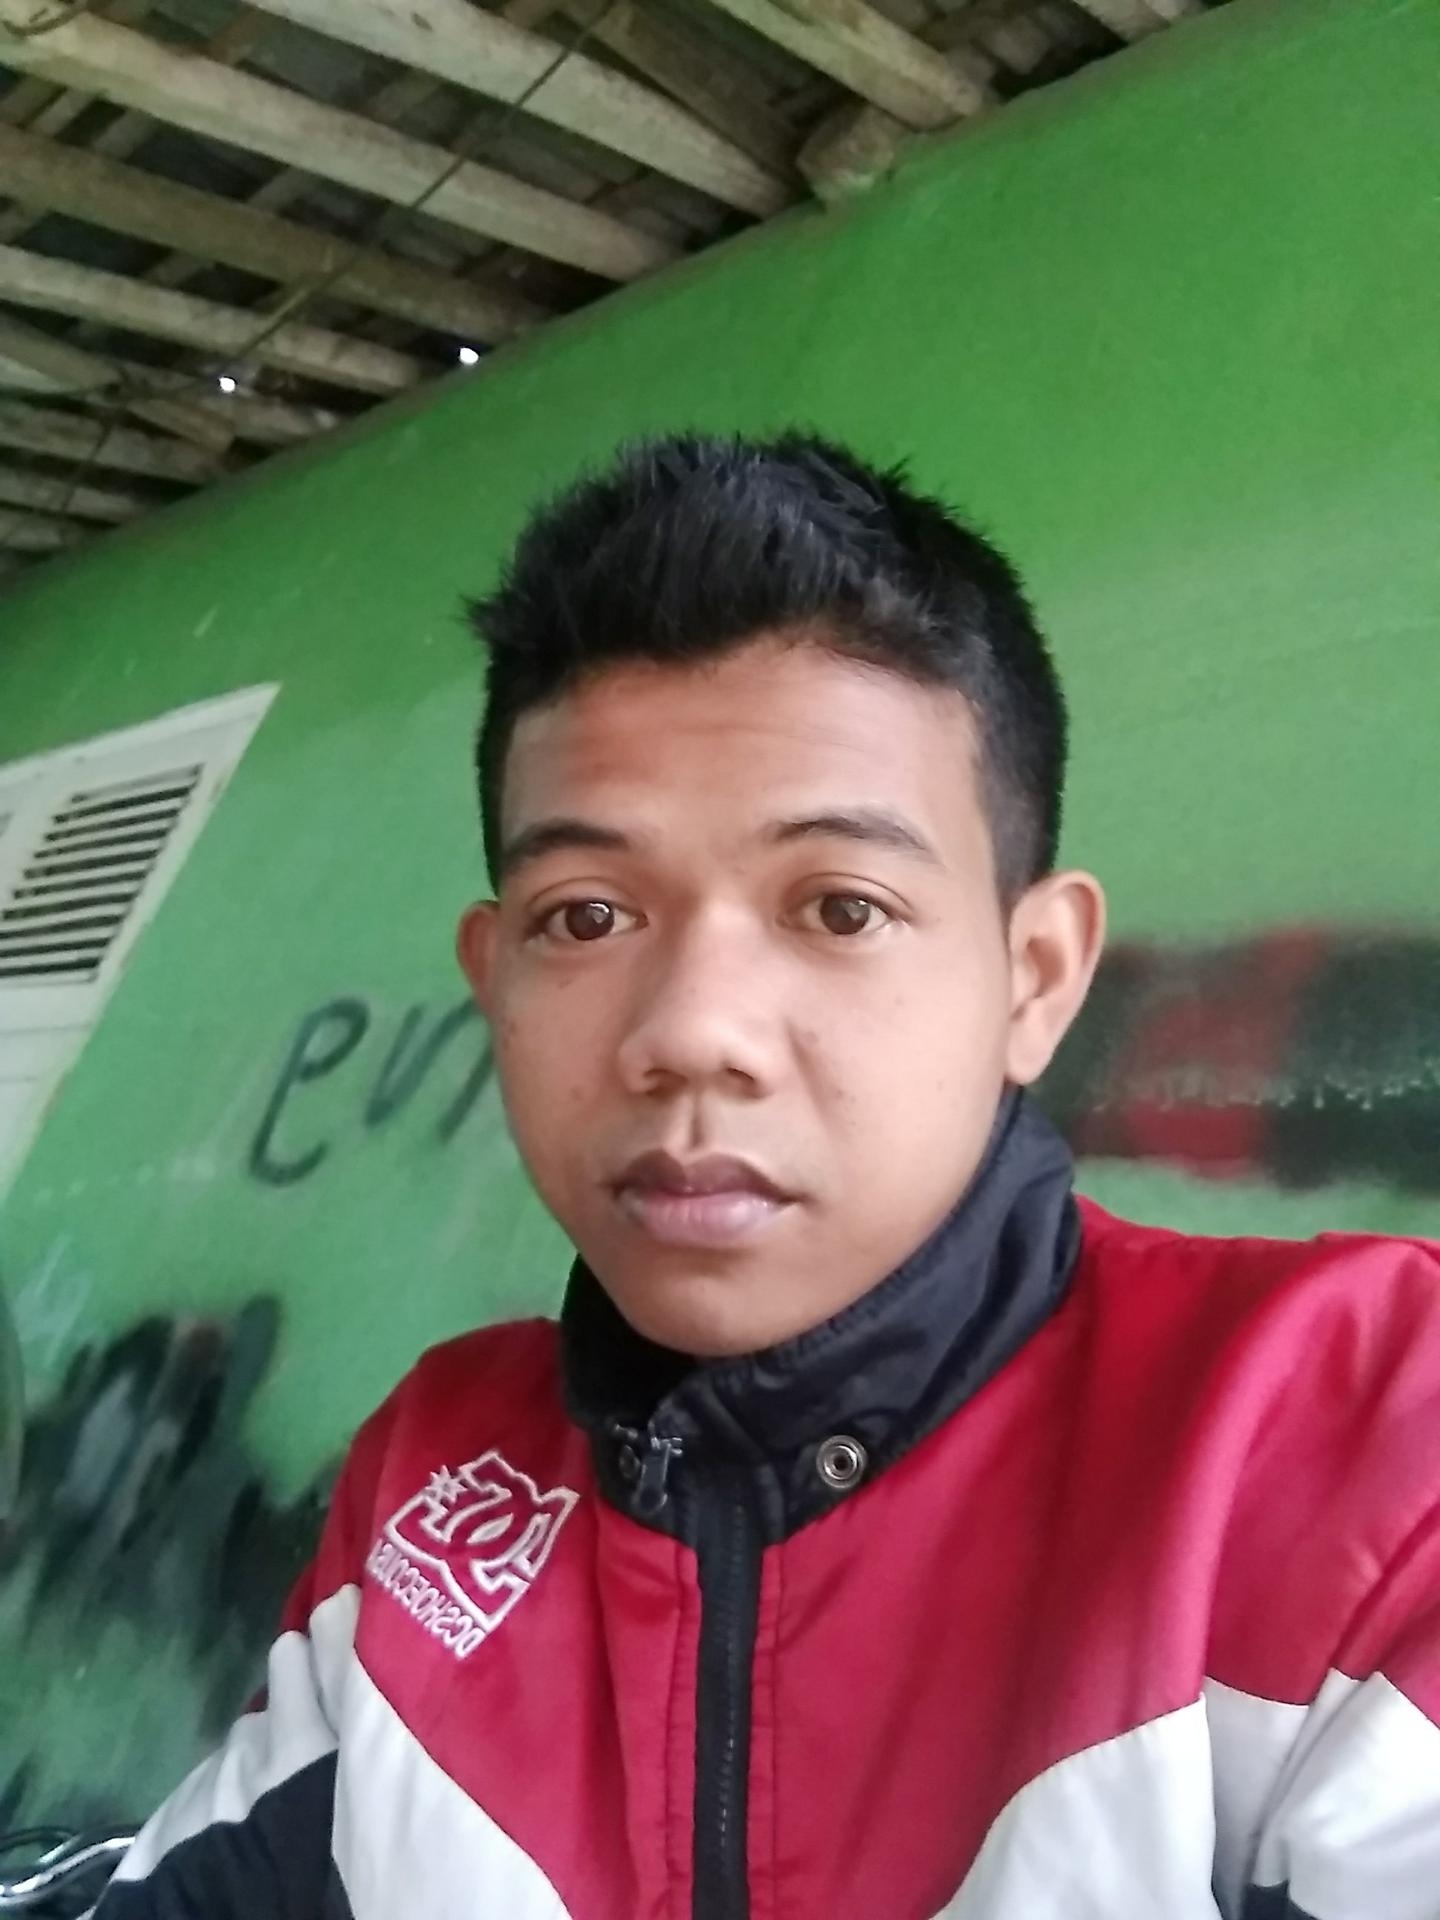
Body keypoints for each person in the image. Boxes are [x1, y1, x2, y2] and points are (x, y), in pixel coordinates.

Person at [92, 435, 1440, 1920]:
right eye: (586, 916)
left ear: (1036, 978)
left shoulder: (1357, 1439)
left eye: (840, 907)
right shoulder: (438, 1477)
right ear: (495, 977)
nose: (691, 1031)